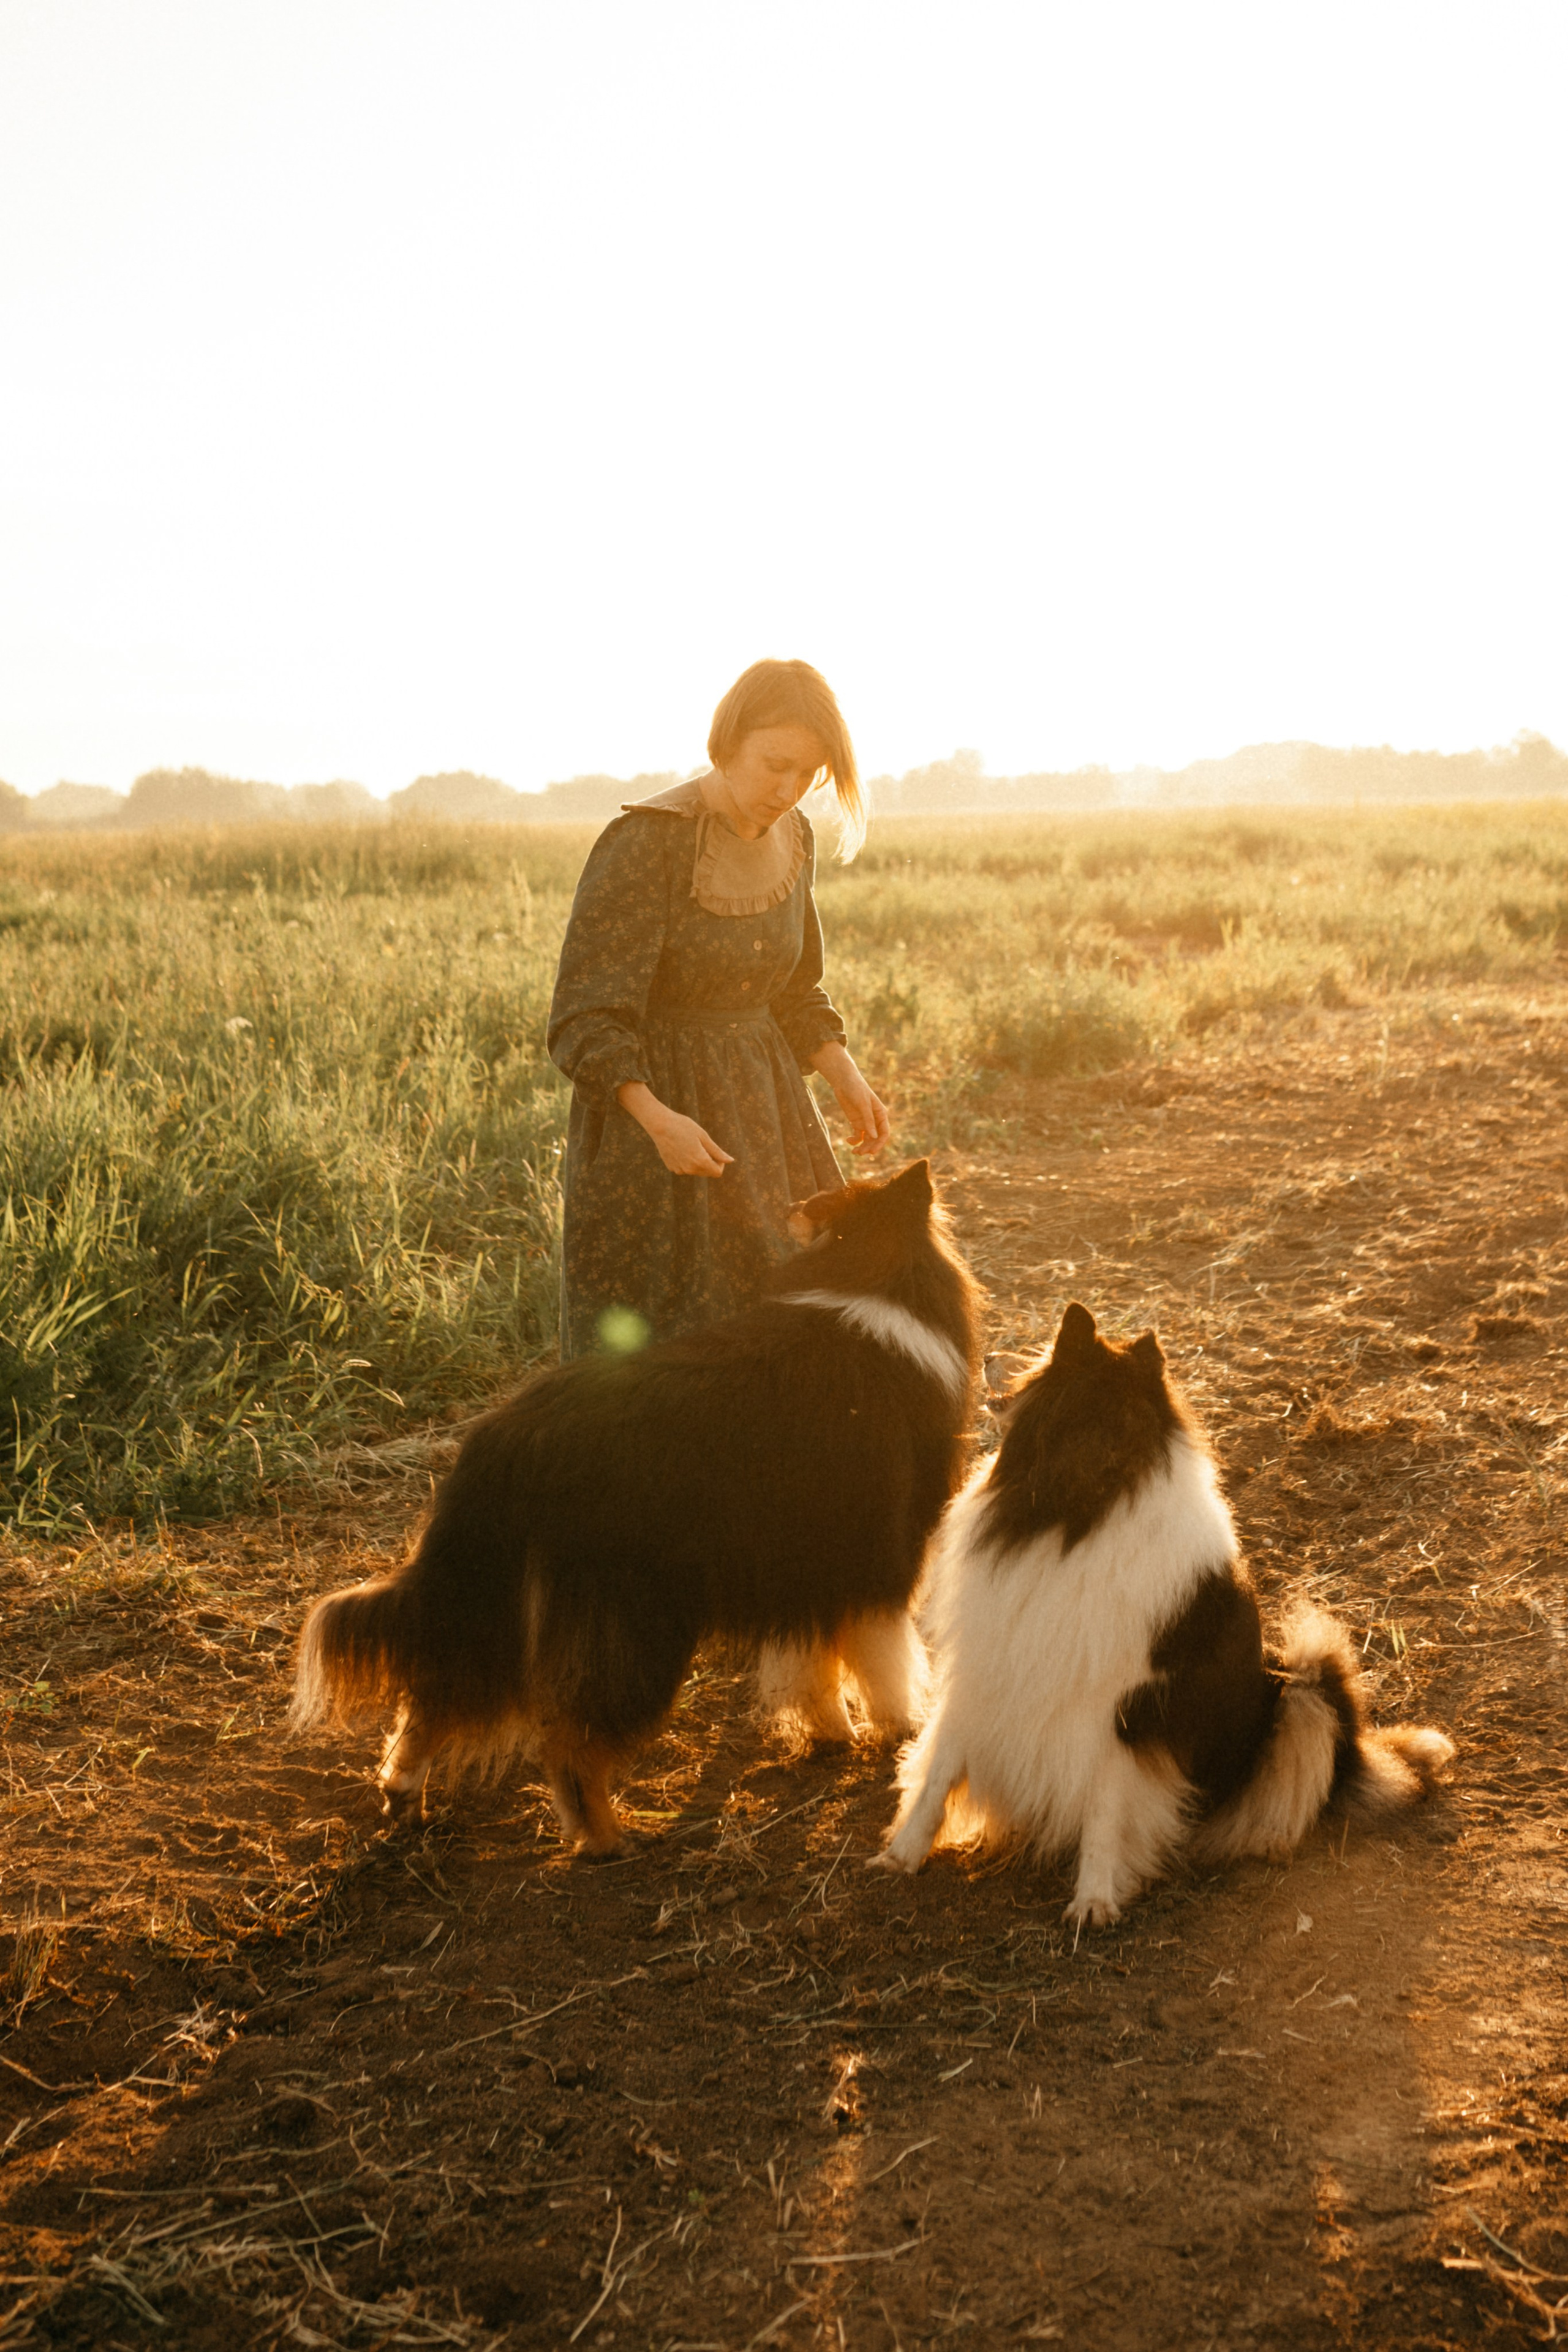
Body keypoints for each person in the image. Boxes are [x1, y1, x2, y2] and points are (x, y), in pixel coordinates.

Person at [547, 658, 891, 1359]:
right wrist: (657, 1119)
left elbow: (794, 988)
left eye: (809, 775)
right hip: (660, 1127)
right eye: (775, 764)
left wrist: (844, 1075)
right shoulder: (648, 842)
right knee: (665, 1344)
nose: (789, 789)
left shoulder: (796, 838)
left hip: (767, 1115)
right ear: (727, 739)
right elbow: (586, 1017)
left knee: (780, 1318)